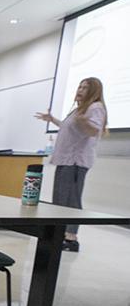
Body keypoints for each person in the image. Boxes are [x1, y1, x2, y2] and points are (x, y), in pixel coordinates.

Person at [35, 77, 108, 252]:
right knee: (60, 200)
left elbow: (93, 130)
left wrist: (84, 120)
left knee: (71, 200)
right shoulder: (79, 109)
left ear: (94, 91)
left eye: (85, 87)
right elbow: (69, 127)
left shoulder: (95, 107)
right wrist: (53, 120)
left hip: (75, 162)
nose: (80, 90)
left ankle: (71, 238)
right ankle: (60, 234)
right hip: (65, 160)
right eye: (79, 86)